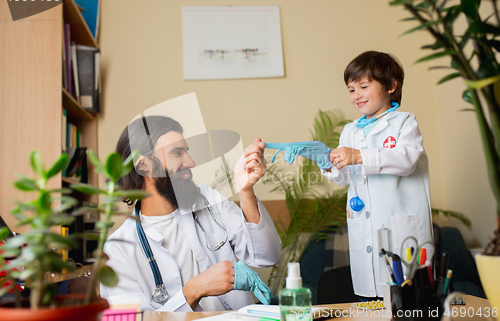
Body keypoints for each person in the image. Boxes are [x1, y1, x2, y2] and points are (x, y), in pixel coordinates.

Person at [100, 115, 281, 311]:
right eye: (177, 153)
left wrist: (245, 191)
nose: (191, 162)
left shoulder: (208, 200)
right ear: (143, 165)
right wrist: (194, 290)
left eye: (187, 152)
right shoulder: (118, 249)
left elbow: (266, 256)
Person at [322, 51, 433, 299]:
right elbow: (347, 176)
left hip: (401, 232)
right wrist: (328, 164)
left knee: (407, 299)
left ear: (391, 86)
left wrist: (360, 156)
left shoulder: (404, 123)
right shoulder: (350, 131)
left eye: (363, 86)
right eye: (351, 89)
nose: (356, 95)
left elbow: (406, 160)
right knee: (370, 299)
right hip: (365, 231)